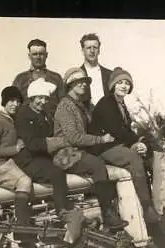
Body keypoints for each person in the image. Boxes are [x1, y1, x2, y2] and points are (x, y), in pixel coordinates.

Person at [14, 77, 126, 231]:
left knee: (90, 164)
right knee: (64, 172)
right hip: (33, 158)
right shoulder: (25, 116)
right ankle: (69, 213)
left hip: (48, 154)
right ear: (31, 98)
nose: (43, 102)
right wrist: (61, 142)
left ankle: (99, 212)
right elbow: (34, 144)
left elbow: (52, 136)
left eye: (45, 98)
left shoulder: (45, 113)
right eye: (39, 98)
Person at [53, 67, 128, 231]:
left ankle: (110, 211)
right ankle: (108, 216)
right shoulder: (65, 107)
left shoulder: (81, 105)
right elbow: (73, 137)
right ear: (70, 85)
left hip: (79, 151)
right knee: (97, 165)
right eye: (78, 82)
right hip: (67, 154)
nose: (83, 85)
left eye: (85, 82)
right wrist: (101, 139)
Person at [88, 67, 160, 225]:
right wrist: (136, 143)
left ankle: (157, 200)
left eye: (127, 83)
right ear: (113, 85)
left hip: (118, 144)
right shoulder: (107, 103)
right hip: (103, 148)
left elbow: (125, 131)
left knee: (149, 155)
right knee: (134, 157)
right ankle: (147, 207)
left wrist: (141, 143)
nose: (124, 86)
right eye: (119, 82)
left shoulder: (121, 104)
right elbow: (116, 130)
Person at [0, 86, 34, 240]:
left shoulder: (10, 120)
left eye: (18, 101)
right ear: (4, 102)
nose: (15, 104)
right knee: (25, 181)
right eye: (11, 101)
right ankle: (21, 228)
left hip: (8, 164)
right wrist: (15, 149)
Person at [12, 39, 65, 116]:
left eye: (41, 54)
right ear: (29, 56)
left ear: (46, 55)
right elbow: (13, 104)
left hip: (51, 123)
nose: (38, 57)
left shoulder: (56, 78)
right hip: (27, 123)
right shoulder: (20, 79)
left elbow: (63, 104)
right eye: (34, 54)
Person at [78, 33, 113, 109]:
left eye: (95, 47)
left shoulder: (110, 74)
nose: (92, 51)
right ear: (82, 51)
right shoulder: (77, 75)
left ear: (99, 50)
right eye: (88, 48)